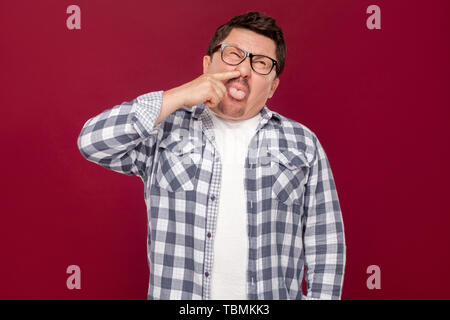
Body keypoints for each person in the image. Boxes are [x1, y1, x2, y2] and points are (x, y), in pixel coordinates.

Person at [77, 11, 346, 300]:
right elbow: (92, 142)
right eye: (233, 55)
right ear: (208, 64)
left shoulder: (302, 143)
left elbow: (326, 241)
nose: (244, 70)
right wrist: (178, 95)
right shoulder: (164, 130)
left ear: (273, 86)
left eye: (261, 64)